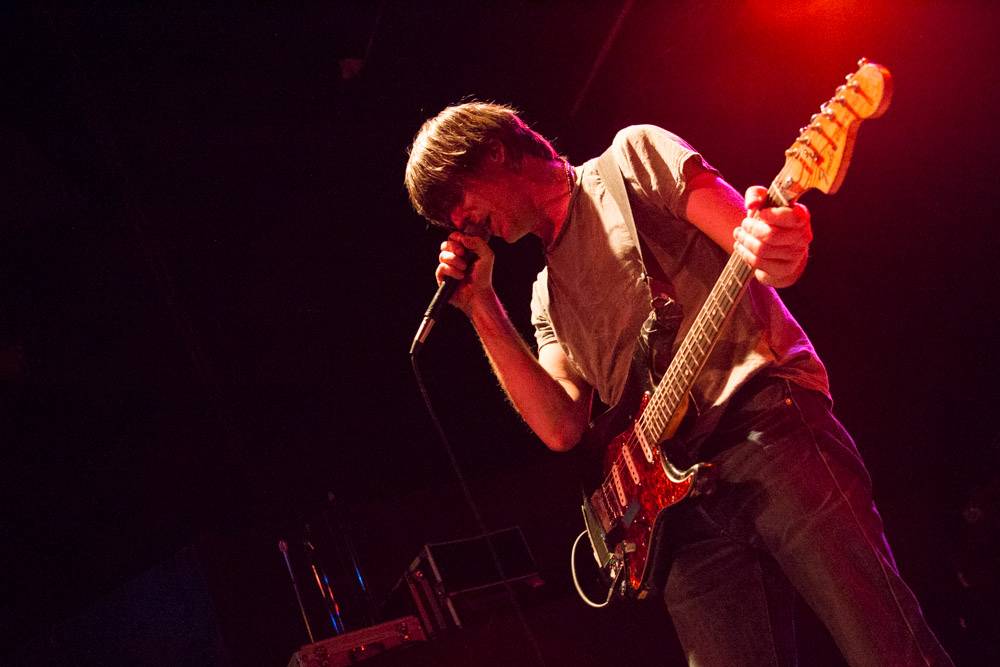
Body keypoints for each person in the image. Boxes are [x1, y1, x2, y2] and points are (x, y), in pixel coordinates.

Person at [404, 101, 952, 666]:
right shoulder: (545, 298)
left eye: (455, 198)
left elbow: (757, 248)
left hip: (765, 429)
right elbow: (561, 427)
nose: (458, 221)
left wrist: (779, 246)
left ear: (494, 152)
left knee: (885, 646)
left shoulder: (631, 158)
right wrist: (482, 307)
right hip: (677, 510)